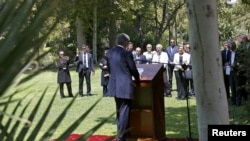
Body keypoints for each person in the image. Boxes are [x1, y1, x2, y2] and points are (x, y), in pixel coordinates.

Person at [106, 33, 140, 141]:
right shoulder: (126, 53)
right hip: (125, 85)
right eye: (128, 42)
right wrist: (138, 80)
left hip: (115, 85)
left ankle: (120, 134)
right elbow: (133, 69)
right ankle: (121, 137)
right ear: (125, 42)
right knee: (125, 111)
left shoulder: (110, 52)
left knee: (119, 111)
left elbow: (110, 68)